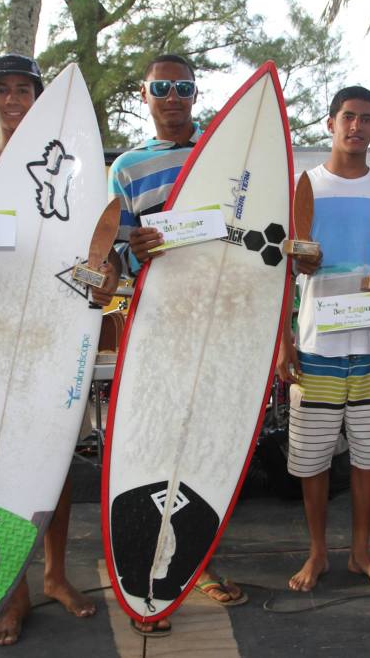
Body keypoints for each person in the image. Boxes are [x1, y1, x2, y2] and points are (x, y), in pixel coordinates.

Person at [0, 53, 106, 646]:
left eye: (24, 90)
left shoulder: (78, 171)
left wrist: (103, 280)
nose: (13, 100)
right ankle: (12, 592)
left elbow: (96, 257)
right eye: (2, 90)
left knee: (52, 453)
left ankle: (55, 574)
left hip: (53, 330)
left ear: (39, 99)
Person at [105, 53, 247, 637]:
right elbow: (113, 254)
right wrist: (132, 249)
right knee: (157, 443)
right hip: (158, 322)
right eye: (160, 87)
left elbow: (248, 233)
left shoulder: (227, 154)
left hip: (221, 321)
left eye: (182, 87)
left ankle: (196, 563)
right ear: (145, 95)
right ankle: (145, 573)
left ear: (194, 93)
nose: (172, 97)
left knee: (210, 444)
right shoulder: (128, 167)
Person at [276, 86, 370, 593]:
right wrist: (284, 341)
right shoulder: (303, 187)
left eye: (367, 118)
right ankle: (317, 554)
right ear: (331, 123)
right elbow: (281, 274)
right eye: (348, 116)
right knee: (311, 457)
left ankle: (360, 554)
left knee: (368, 456)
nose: (357, 126)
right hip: (316, 346)